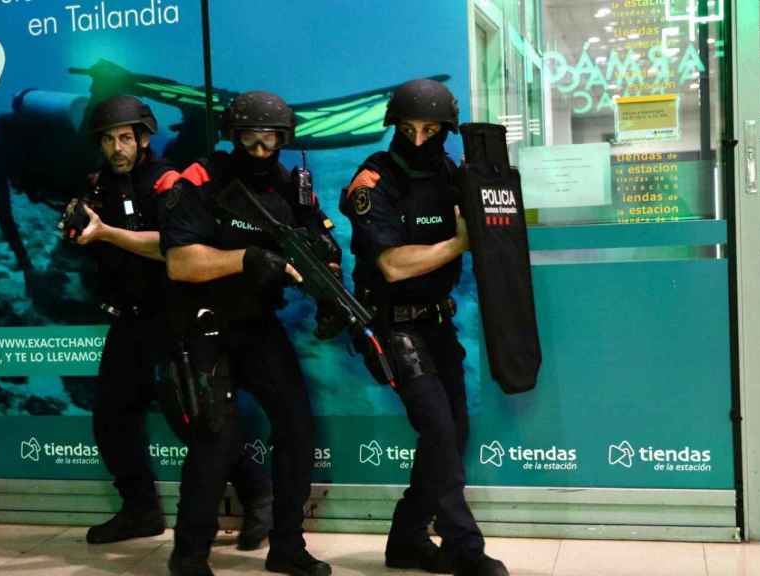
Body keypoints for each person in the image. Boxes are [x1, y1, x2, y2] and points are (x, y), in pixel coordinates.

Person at [64, 95, 272, 549]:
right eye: (107, 140)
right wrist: (78, 228)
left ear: (143, 138)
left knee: (201, 420)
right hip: (129, 322)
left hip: (176, 319)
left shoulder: (167, 182)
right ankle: (140, 511)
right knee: (111, 420)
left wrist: (106, 233)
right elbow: (91, 238)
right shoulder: (98, 186)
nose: (117, 147)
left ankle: (260, 500)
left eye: (125, 137)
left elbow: (173, 248)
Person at [157, 91, 336, 576]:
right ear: (233, 137)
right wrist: (248, 260)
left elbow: (320, 240)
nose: (260, 151)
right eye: (250, 140)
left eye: (270, 140)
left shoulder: (291, 186)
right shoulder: (201, 180)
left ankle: (287, 546)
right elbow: (178, 262)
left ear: (283, 140)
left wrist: (326, 273)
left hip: (258, 324)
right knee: (216, 439)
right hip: (203, 324)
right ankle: (189, 556)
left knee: (298, 426)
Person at [338, 79, 509, 576]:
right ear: (394, 126)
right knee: (437, 430)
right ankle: (464, 548)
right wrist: (459, 244)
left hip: (437, 322)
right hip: (392, 326)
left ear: (445, 132)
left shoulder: (452, 174)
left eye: (430, 130)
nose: (417, 140)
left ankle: (407, 537)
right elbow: (391, 265)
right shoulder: (373, 179)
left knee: (453, 434)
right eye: (409, 129)